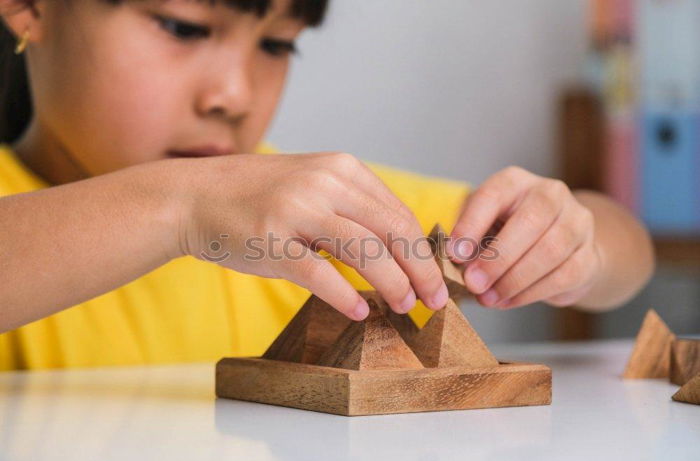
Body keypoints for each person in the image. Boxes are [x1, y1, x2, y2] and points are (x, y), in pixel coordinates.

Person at [0, 0, 654, 371]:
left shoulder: (306, 212)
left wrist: (578, 242)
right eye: (183, 27)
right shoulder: (238, 203)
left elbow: (628, 251)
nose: (233, 94)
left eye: (277, 46)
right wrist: (181, 207)